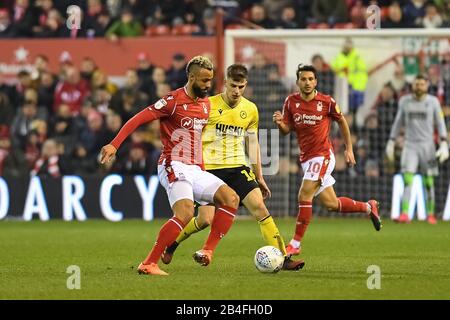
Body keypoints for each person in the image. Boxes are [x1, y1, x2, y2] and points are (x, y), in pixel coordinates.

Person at [100, 56, 240, 276]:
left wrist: (202, 169)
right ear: (191, 77)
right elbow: (138, 118)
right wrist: (114, 144)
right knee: (184, 212)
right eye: (203, 80)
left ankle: (207, 251)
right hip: (172, 163)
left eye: (210, 80)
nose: (207, 85)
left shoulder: (205, 105)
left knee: (231, 199)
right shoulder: (172, 101)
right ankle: (148, 263)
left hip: (195, 168)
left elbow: (196, 141)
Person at [160, 64, 305, 271]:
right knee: (204, 220)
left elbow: (252, 142)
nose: (237, 91)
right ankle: (172, 244)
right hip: (208, 168)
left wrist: (259, 176)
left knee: (260, 208)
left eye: (241, 86)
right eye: (234, 85)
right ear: (225, 83)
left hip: (237, 167)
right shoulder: (207, 105)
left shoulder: (250, 109)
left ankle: (283, 258)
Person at [272, 64, 382, 256]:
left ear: (316, 81)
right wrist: (281, 124)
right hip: (306, 158)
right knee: (331, 204)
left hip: (323, 155)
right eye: (303, 79)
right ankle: (368, 207)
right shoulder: (290, 102)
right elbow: (287, 130)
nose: (307, 83)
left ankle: (295, 244)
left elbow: (342, 121)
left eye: (310, 79)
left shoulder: (327, 102)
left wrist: (349, 149)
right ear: (297, 81)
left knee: (304, 195)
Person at [385, 74, 449, 224]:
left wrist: (444, 142)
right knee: (407, 178)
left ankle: (431, 214)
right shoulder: (405, 101)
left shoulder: (433, 102)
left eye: (421, 84)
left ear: (427, 85)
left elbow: (440, 122)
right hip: (410, 145)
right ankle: (405, 214)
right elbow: (398, 121)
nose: (418, 87)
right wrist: (391, 140)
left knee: (429, 181)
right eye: (416, 84)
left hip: (428, 146)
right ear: (413, 85)